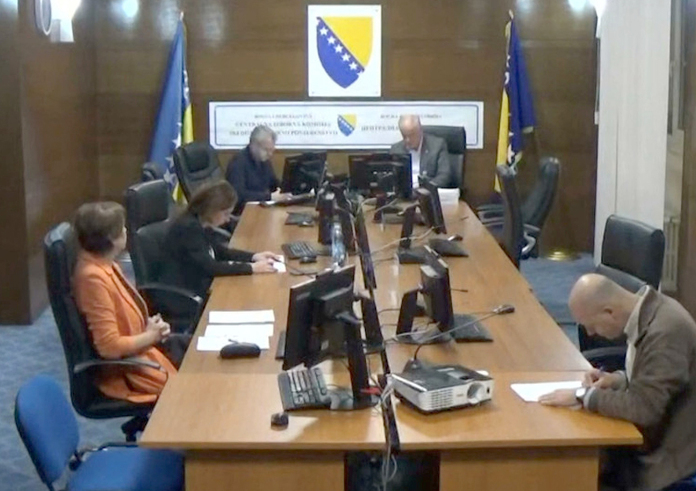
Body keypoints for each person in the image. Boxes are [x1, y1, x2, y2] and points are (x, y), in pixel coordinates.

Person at [540, 274, 696, 491]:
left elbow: (645, 408)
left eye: (592, 326)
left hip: (669, 462)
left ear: (609, 312)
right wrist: (617, 380)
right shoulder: (648, 311)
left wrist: (583, 396)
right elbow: (657, 379)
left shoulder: (665, 333)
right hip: (651, 440)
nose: (591, 333)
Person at [72, 202, 178, 404]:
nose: (126, 231)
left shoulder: (105, 264)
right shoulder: (92, 278)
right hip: (129, 371)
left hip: (143, 353)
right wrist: (151, 335)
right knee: (198, 384)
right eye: (122, 228)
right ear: (112, 239)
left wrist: (149, 327)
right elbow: (109, 347)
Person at [162, 180, 280, 297]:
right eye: (226, 213)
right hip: (184, 292)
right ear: (211, 209)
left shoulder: (201, 222)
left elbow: (220, 251)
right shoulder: (189, 228)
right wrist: (251, 268)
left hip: (199, 281)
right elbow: (211, 267)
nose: (228, 219)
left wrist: (254, 257)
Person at [225, 125, 285, 213]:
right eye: (266, 150)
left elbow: (273, 183)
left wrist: (286, 190)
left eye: (271, 150)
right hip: (242, 212)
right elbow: (238, 195)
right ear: (253, 145)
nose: (270, 154)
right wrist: (269, 197)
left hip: (260, 208)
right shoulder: (238, 162)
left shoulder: (264, 160)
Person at [390, 115, 454, 188]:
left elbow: (444, 176)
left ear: (420, 131)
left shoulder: (437, 145)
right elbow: (391, 178)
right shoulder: (396, 149)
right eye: (404, 135)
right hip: (405, 193)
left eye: (411, 135)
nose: (408, 140)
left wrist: (425, 188)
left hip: (426, 192)